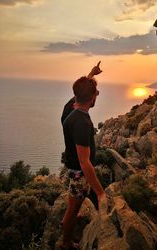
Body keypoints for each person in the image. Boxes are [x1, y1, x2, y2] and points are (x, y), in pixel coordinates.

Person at [60, 62, 107, 250]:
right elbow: (84, 162)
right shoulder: (82, 123)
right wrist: (100, 192)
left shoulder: (70, 109)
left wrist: (91, 75)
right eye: (96, 92)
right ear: (91, 98)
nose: (98, 94)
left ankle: (66, 231)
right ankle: (66, 243)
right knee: (73, 210)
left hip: (73, 169)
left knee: (72, 208)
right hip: (79, 174)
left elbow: (80, 91)